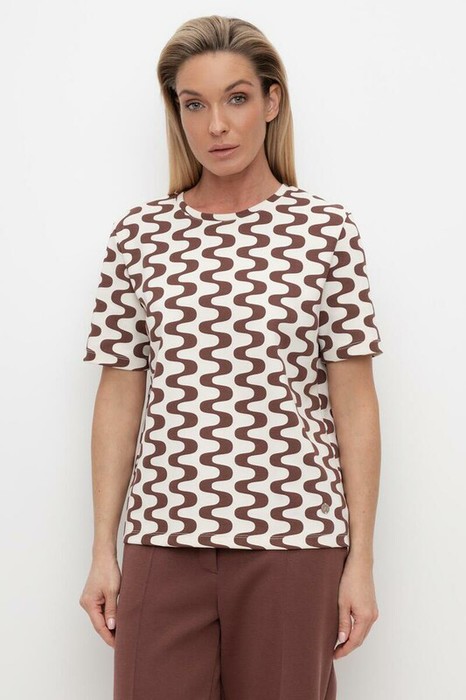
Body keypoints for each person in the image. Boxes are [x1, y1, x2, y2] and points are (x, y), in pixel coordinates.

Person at [79, 14, 383, 700]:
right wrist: (103, 547)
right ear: (177, 113)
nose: (216, 125)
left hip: (294, 535)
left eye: (237, 98)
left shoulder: (326, 231)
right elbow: (119, 395)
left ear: (272, 102)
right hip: (163, 533)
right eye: (195, 104)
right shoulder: (139, 235)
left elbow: (355, 403)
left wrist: (361, 560)